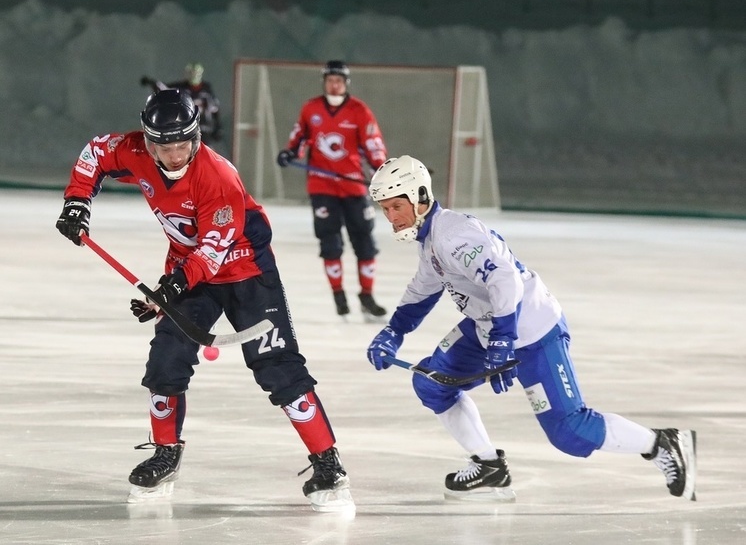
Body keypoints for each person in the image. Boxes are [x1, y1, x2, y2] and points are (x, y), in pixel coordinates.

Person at [54, 89, 353, 513]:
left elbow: (213, 249)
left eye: (183, 145)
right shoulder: (134, 150)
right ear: (148, 141)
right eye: (164, 146)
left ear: (196, 138)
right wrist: (77, 201)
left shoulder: (218, 176)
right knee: (166, 360)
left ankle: (327, 461)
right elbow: (95, 154)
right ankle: (165, 451)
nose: (175, 156)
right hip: (189, 271)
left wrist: (172, 289)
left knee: (277, 366)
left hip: (246, 271)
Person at [365, 155, 697, 502]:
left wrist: (503, 340)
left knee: (570, 432)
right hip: (490, 329)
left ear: (420, 196)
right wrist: (394, 331)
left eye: (396, 206)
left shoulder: (454, 235)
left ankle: (661, 444)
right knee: (431, 382)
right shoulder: (432, 239)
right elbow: (423, 289)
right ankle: (489, 466)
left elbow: (505, 278)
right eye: (385, 209)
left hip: (532, 331)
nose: (391, 217)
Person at [276, 60, 388, 322]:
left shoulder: (359, 111)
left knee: (365, 241)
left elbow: (373, 146)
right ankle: (338, 295)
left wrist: (381, 170)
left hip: (352, 186)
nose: (334, 84)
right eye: (330, 80)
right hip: (322, 186)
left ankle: (366, 296)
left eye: (338, 80)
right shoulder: (311, 108)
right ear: (324, 82)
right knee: (330, 242)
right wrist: (289, 152)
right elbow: (299, 138)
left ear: (346, 83)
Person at [140, 63, 222, 146]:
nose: (194, 76)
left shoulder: (206, 89)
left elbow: (214, 109)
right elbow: (164, 88)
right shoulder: (181, 87)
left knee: (204, 150)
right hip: (186, 126)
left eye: (196, 73)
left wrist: (217, 127)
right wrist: (152, 83)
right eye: (191, 73)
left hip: (204, 127)